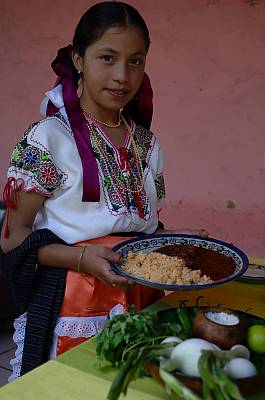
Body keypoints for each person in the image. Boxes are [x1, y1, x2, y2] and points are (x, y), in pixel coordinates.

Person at [0, 1, 207, 380]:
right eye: (107, 58)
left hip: (139, 302)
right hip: (70, 304)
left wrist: (177, 242)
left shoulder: (146, 144)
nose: (122, 76)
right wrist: (81, 260)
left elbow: (144, 227)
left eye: (135, 61)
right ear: (78, 59)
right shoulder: (47, 140)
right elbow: (13, 237)